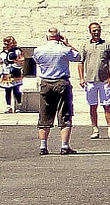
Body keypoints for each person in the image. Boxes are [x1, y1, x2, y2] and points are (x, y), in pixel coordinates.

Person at [34, 27, 82, 156]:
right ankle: (64, 146)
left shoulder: (38, 50)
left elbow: (37, 61)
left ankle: (43, 146)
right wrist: (67, 44)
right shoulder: (64, 50)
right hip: (61, 81)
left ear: (46, 37)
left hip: (46, 82)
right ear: (59, 37)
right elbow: (79, 56)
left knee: (44, 113)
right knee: (65, 113)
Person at [80, 22, 110, 139]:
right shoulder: (85, 45)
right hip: (90, 80)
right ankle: (95, 129)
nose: (96, 32)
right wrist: (81, 78)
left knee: (107, 105)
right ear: (90, 32)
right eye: (94, 30)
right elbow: (80, 62)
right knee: (93, 106)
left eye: (98, 30)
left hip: (104, 80)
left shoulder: (107, 44)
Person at [0, 37, 25, 112]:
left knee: (16, 89)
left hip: (15, 71)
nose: (7, 45)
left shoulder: (17, 51)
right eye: (6, 43)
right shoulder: (3, 53)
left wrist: (15, 60)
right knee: (7, 90)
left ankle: (19, 105)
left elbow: (22, 60)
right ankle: (8, 106)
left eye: (9, 43)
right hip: (6, 72)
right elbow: (0, 61)